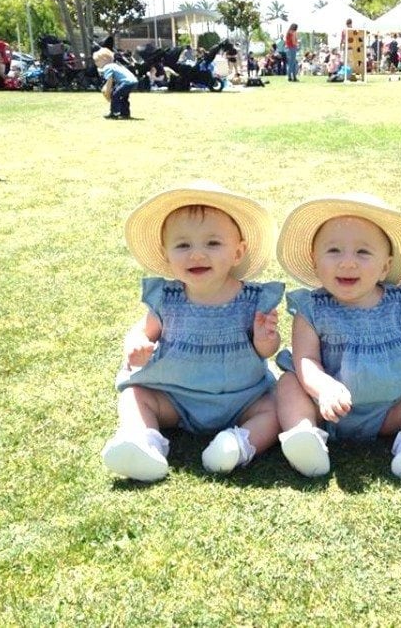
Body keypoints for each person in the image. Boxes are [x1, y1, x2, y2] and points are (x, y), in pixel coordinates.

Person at [102, 182, 283, 482]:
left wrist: (266, 339)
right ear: (166, 254)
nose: (196, 254)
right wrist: (138, 344)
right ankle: (142, 441)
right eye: (183, 245)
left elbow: (266, 351)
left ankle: (236, 446)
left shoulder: (253, 300)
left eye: (212, 243)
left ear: (238, 252)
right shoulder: (168, 298)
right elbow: (144, 330)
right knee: (135, 394)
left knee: (277, 408)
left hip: (243, 398)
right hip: (176, 398)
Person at [274, 194, 401, 480]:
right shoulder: (311, 309)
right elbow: (306, 359)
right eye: (334, 250)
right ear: (315, 262)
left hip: (388, 410)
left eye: (363, 252)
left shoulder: (397, 302)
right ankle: (303, 434)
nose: (348, 263)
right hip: (324, 409)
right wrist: (324, 389)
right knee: (288, 384)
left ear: (385, 266)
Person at [92, 47, 137, 120]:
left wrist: (107, 92)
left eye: (97, 61)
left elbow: (109, 81)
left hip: (126, 82)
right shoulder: (115, 65)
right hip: (133, 81)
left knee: (115, 95)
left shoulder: (107, 67)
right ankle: (125, 113)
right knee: (123, 97)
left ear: (104, 59)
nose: (95, 63)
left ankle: (114, 113)